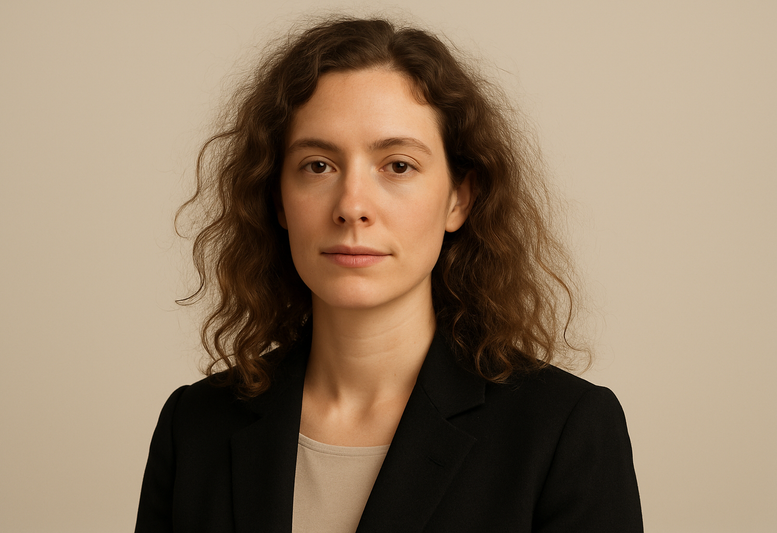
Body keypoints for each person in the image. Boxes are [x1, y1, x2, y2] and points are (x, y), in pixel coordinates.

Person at [135, 17, 643, 533]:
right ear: (278, 199)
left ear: (459, 199)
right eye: (317, 165)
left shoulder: (563, 429)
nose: (352, 206)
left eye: (398, 165)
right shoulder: (193, 426)